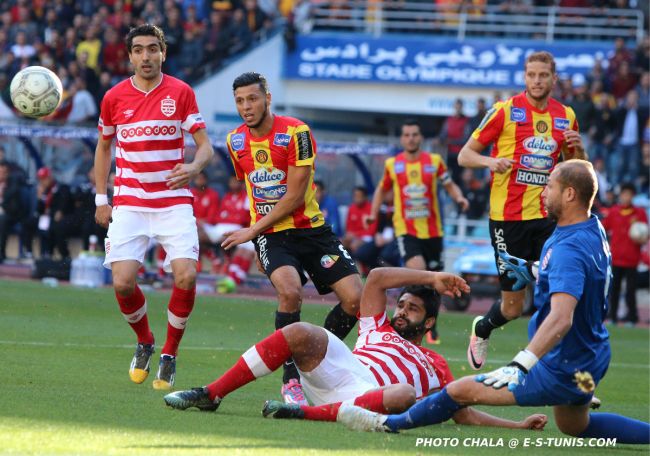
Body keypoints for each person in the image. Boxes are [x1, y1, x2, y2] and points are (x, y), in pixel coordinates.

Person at [338, 160, 650, 445]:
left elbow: (561, 318)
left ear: (569, 194)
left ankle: (387, 424)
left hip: (562, 365)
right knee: (574, 427)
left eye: (550, 185)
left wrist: (520, 364)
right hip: (592, 354)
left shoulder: (568, 248)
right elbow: (581, 275)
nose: (542, 191)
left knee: (459, 391)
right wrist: (531, 269)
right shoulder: (591, 227)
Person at [164, 267, 546, 433]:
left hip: (371, 398)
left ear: (429, 323)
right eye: (401, 305)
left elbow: (464, 415)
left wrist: (518, 425)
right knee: (300, 330)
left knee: (405, 395)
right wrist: (431, 278)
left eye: (412, 310)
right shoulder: (376, 324)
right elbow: (377, 279)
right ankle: (211, 394)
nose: (400, 313)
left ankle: (302, 414)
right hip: (343, 371)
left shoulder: (436, 364)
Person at [220, 72, 363, 405]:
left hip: (311, 230)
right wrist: (259, 240)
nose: (246, 107)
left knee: (356, 300)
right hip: (272, 235)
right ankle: (291, 380)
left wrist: (251, 231)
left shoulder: (296, 132)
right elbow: (252, 188)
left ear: (268, 98)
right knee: (290, 292)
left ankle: (316, 354)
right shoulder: (234, 142)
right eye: (240, 101)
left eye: (252, 98)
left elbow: (297, 196)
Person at [94, 24, 214, 391]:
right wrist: (102, 197)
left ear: (163, 52)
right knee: (123, 282)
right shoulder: (114, 97)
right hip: (130, 202)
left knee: (187, 276)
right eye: (139, 50)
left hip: (173, 202)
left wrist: (194, 167)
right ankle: (145, 341)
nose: (146, 56)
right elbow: (103, 147)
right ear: (129, 56)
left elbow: (205, 145)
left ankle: (169, 354)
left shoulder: (180, 92)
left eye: (152, 49)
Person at [459, 51, 586, 370]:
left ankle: (554, 364)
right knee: (513, 307)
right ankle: (482, 328)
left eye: (543, 75)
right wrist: (490, 161)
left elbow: (576, 168)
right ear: (525, 77)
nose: (537, 80)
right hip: (507, 220)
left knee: (561, 290)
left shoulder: (566, 116)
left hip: (548, 219)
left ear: (553, 79)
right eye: (532, 75)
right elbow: (464, 155)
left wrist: (580, 148)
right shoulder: (504, 111)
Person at [368, 119, 469, 343]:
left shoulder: (434, 162)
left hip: (434, 232)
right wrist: (372, 214)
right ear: (402, 138)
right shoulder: (393, 164)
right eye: (407, 135)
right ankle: (399, 320)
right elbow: (380, 190)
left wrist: (459, 197)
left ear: (420, 137)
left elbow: (449, 184)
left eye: (414, 134)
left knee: (434, 283)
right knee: (419, 273)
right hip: (407, 230)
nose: (411, 138)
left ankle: (429, 324)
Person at [601, 183, 648, 326]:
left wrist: (642, 237)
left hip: (632, 260)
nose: (626, 197)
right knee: (613, 290)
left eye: (629, 194)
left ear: (633, 196)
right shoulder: (614, 211)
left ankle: (632, 318)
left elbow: (645, 233)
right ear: (620, 195)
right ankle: (613, 317)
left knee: (630, 291)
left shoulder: (639, 213)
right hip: (616, 259)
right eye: (624, 194)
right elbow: (603, 228)